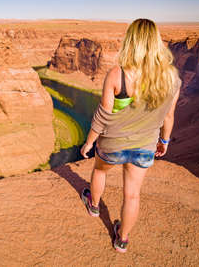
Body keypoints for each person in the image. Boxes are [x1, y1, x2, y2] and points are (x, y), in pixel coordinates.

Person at [80, 18, 181, 253]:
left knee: (99, 170)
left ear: (131, 42)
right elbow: (168, 116)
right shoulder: (172, 78)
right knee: (132, 195)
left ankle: (94, 205)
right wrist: (164, 141)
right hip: (145, 146)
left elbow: (103, 115)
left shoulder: (119, 74)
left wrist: (89, 142)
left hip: (112, 144)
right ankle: (122, 240)